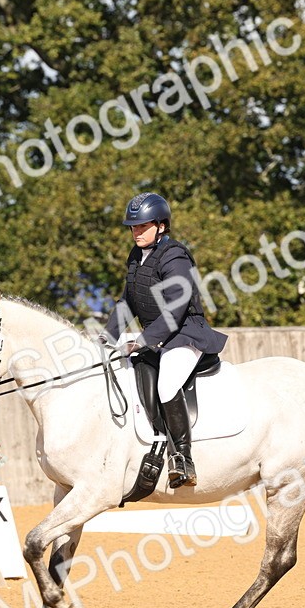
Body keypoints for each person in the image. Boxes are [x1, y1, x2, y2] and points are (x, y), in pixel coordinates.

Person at [102, 192, 228, 488]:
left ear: (161, 226)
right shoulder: (136, 256)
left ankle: (183, 458)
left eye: (142, 226)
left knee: (168, 383)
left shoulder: (175, 256)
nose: (136, 232)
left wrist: (143, 340)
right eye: (133, 227)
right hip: (159, 336)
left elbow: (176, 307)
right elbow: (128, 301)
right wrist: (107, 337)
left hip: (186, 334)